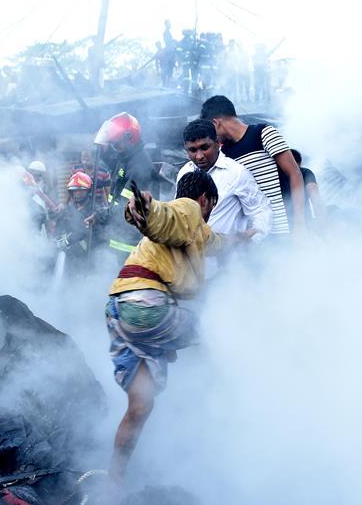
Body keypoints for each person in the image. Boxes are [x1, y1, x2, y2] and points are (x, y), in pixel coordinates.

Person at [107, 170, 256, 482]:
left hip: (120, 310)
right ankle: (235, 409)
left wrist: (241, 237)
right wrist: (145, 208)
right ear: (205, 199)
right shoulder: (187, 208)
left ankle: (113, 483)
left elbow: (214, 241)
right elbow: (162, 218)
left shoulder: (196, 232)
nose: (208, 216)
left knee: (140, 406)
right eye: (211, 209)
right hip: (147, 306)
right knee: (219, 330)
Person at [200, 95, 306, 235]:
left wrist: (299, 223)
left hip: (286, 227)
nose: (212, 137)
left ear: (216, 123)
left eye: (210, 130)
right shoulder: (225, 153)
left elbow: (295, 174)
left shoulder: (263, 133)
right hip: (258, 235)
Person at [177, 118, 272, 240]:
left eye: (205, 147)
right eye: (193, 150)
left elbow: (261, 211)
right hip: (191, 256)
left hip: (229, 255)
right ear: (186, 149)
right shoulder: (184, 172)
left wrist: (252, 241)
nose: (199, 156)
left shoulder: (237, 173)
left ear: (217, 143)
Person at [93, 112, 162, 256]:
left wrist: (102, 215)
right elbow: (117, 197)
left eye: (117, 144)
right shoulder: (125, 159)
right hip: (120, 235)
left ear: (130, 138)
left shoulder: (139, 166)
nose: (115, 148)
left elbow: (127, 207)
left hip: (131, 243)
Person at [290, 149, 328, 229]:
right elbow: (316, 199)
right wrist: (324, 227)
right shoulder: (305, 172)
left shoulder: (273, 176)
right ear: (300, 163)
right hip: (305, 225)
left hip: (278, 229)